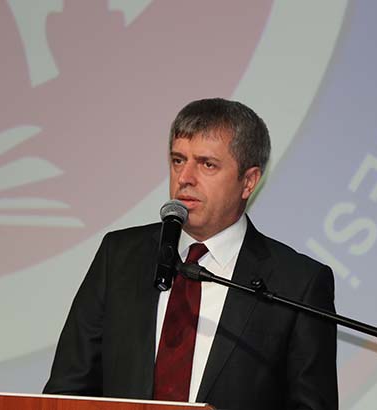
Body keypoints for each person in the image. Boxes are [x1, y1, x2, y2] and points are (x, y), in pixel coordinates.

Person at [43, 98, 338, 410]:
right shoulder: (120, 256)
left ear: (249, 181)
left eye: (207, 164)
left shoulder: (298, 283)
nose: (185, 177)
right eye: (178, 160)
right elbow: (66, 392)